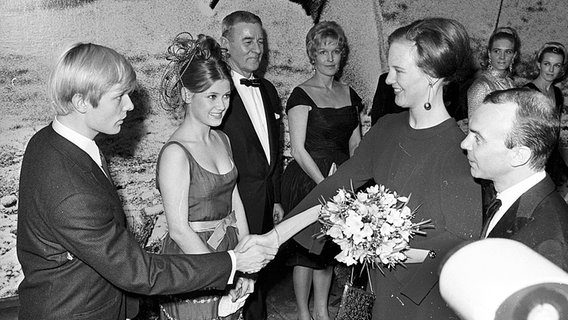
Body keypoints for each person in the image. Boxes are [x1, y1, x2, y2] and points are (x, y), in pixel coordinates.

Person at [16, 42, 277, 320]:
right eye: (119, 97)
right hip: (77, 310)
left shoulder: (47, 142)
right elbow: (140, 272)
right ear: (81, 101)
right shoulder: (71, 190)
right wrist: (234, 263)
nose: (130, 105)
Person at [280, 18, 482, 319]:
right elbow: (337, 187)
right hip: (374, 287)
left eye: (398, 71)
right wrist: (274, 237)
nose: (388, 80)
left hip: (420, 300)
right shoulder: (387, 128)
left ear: (432, 77)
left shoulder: (459, 149)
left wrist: (380, 244)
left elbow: (462, 243)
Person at [156, 33, 256, 320]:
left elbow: (235, 200)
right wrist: (227, 272)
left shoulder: (223, 140)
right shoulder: (176, 153)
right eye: (211, 96)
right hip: (194, 258)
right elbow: (179, 230)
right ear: (188, 95)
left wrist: (245, 262)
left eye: (226, 96)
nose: (221, 105)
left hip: (229, 250)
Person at [280, 21, 361, 320]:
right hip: (308, 179)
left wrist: (348, 180)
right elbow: (298, 149)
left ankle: (322, 311)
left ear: (342, 55)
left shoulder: (349, 93)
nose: (329, 58)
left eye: (335, 51)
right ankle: (303, 313)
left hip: (342, 179)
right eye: (322, 51)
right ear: (311, 55)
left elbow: (356, 145)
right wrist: (323, 184)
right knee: (306, 252)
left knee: (327, 251)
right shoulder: (301, 94)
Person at [218, 10, 284, 320]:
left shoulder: (269, 90)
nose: (256, 49)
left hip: (266, 200)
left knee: (258, 283)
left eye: (260, 41)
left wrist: (278, 197)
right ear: (225, 44)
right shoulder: (216, 93)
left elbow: (274, 151)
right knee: (233, 288)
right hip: (233, 205)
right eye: (247, 41)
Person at [461, 87, 568, 271]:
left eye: (478, 138)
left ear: (519, 155)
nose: (464, 143)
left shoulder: (549, 243)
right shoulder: (510, 196)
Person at [524, 42, 568, 189]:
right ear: (538, 64)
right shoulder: (527, 93)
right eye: (547, 64)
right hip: (533, 159)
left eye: (557, 65)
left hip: (552, 158)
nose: (551, 69)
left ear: (561, 68)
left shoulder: (557, 93)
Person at [467, 26, 520, 118]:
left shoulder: (511, 84)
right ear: (489, 53)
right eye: (497, 51)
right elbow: (473, 124)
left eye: (508, 52)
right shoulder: (481, 86)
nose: (502, 57)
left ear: (514, 55)